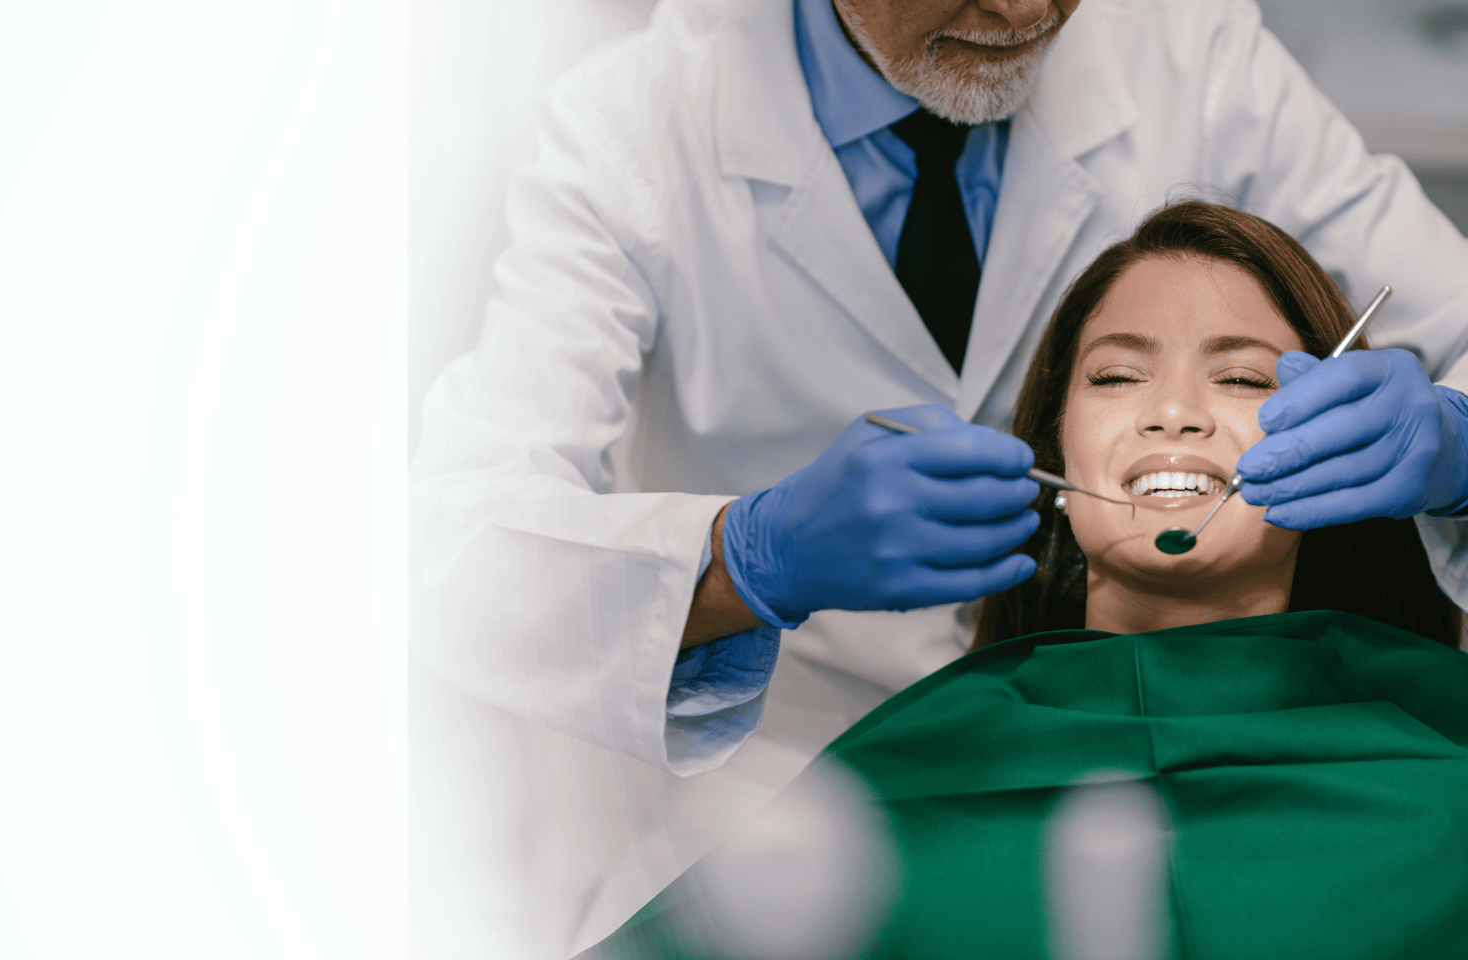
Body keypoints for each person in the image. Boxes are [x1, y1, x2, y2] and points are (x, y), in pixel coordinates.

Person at [410, 0, 1468, 955]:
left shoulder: (1193, 54)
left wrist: (1457, 446)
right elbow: (451, 547)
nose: (1022, 10)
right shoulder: (635, 125)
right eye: (1113, 372)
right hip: (802, 798)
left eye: (1240, 375)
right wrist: (747, 556)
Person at [593, 200, 1468, 960]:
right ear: (1054, 459)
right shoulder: (892, 788)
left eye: (1240, 377)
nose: (1173, 410)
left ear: (1347, 442)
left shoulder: (1445, 785)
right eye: (1118, 376)